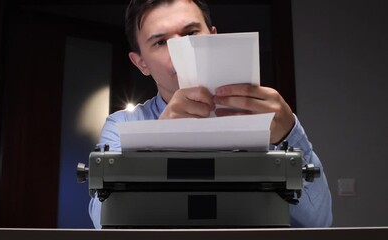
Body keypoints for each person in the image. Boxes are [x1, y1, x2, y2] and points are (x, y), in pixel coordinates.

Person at [89, 0, 332, 228]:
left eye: (191, 34)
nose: (180, 50)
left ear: (213, 37)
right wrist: (160, 139)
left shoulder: (271, 119)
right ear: (141, 63)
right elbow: (106, 222)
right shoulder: (122, 125)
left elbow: (318, 223)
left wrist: (290, 133)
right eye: (160, 42)